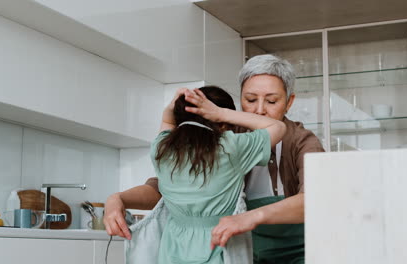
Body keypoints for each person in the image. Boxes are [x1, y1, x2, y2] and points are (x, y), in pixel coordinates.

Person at [104, 54, 325, 264]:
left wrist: (251, 217)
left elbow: (316, 200)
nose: (259, 110)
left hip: (299, 252)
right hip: (241, 250)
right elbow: (164, 188)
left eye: (271, 101)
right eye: (249, 99)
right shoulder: (225, 136)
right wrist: (118, 199)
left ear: (289, 102)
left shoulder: (303, 141)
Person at [141, 85, 285, 263]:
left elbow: (168, 122)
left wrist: (173, 104)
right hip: (219, 245)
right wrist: (222, 113)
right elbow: (278, 127)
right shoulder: (230, 147)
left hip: (172, 251)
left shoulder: (160, 148)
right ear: (222, 123)